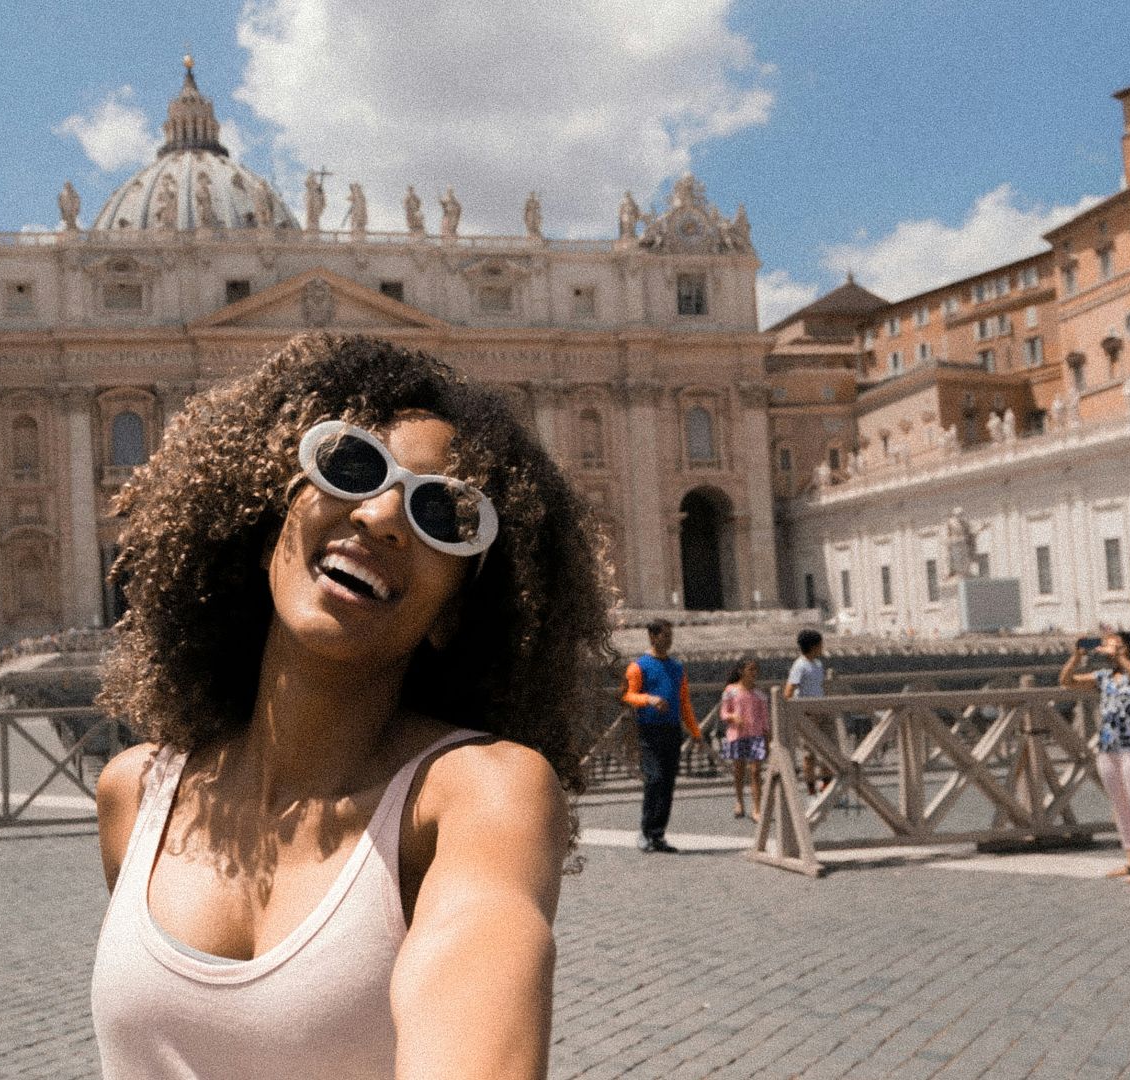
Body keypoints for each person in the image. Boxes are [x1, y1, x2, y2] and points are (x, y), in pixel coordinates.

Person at [89, 333, 614, 1078]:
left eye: (444, 512)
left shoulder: (481, 795)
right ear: (270, 515)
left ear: (455, 612)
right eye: (352, 464)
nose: (380, 515)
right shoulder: (134, 794)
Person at [1060, 631, 1130, 884]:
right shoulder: (1104, 677)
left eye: (1113, 642)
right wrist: (1076, 656)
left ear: (1129, 647)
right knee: (1120, 806)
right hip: (1109, 747)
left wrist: (1121, 658)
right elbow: (1067, 681)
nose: (1106, 645)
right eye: (1105, 643)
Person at [622, 618, 701, 852]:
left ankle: (658, 834)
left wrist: (695, 731)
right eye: (665, 635)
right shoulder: (638, 666)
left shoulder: (677, 668)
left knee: (667, 783)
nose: (669, 640)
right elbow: (628, 695)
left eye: (671, 635)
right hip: (649, 730)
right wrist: (649, 699)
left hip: (672, 730)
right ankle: (646, 831)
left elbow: (684, 701)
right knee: (654, 779)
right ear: (653, 637)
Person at [720, 658, 769, 820]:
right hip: (737, 735)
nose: (754, 673)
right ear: (742, 671)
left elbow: (764, 719)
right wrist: (733, 717)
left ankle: (757, 808)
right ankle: (739, 801)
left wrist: (768, 738)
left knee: (756, 772)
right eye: (751, 670)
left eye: (756, 670)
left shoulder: (760, 694)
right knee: (739, 770)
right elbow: (724, 713)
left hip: (756, 735)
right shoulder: (730, 691)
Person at [784, 629, 828, 795]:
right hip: (807, 714)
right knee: (809, 753)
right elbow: (789, 690)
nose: (822, 647)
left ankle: (826, 784)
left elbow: (818, 686)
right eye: (820, 644)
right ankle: (811, 789)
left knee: (826, 749)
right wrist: (795, 711)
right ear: (814, 646)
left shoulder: (818, 664)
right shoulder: (800, 665)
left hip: (820, 710)